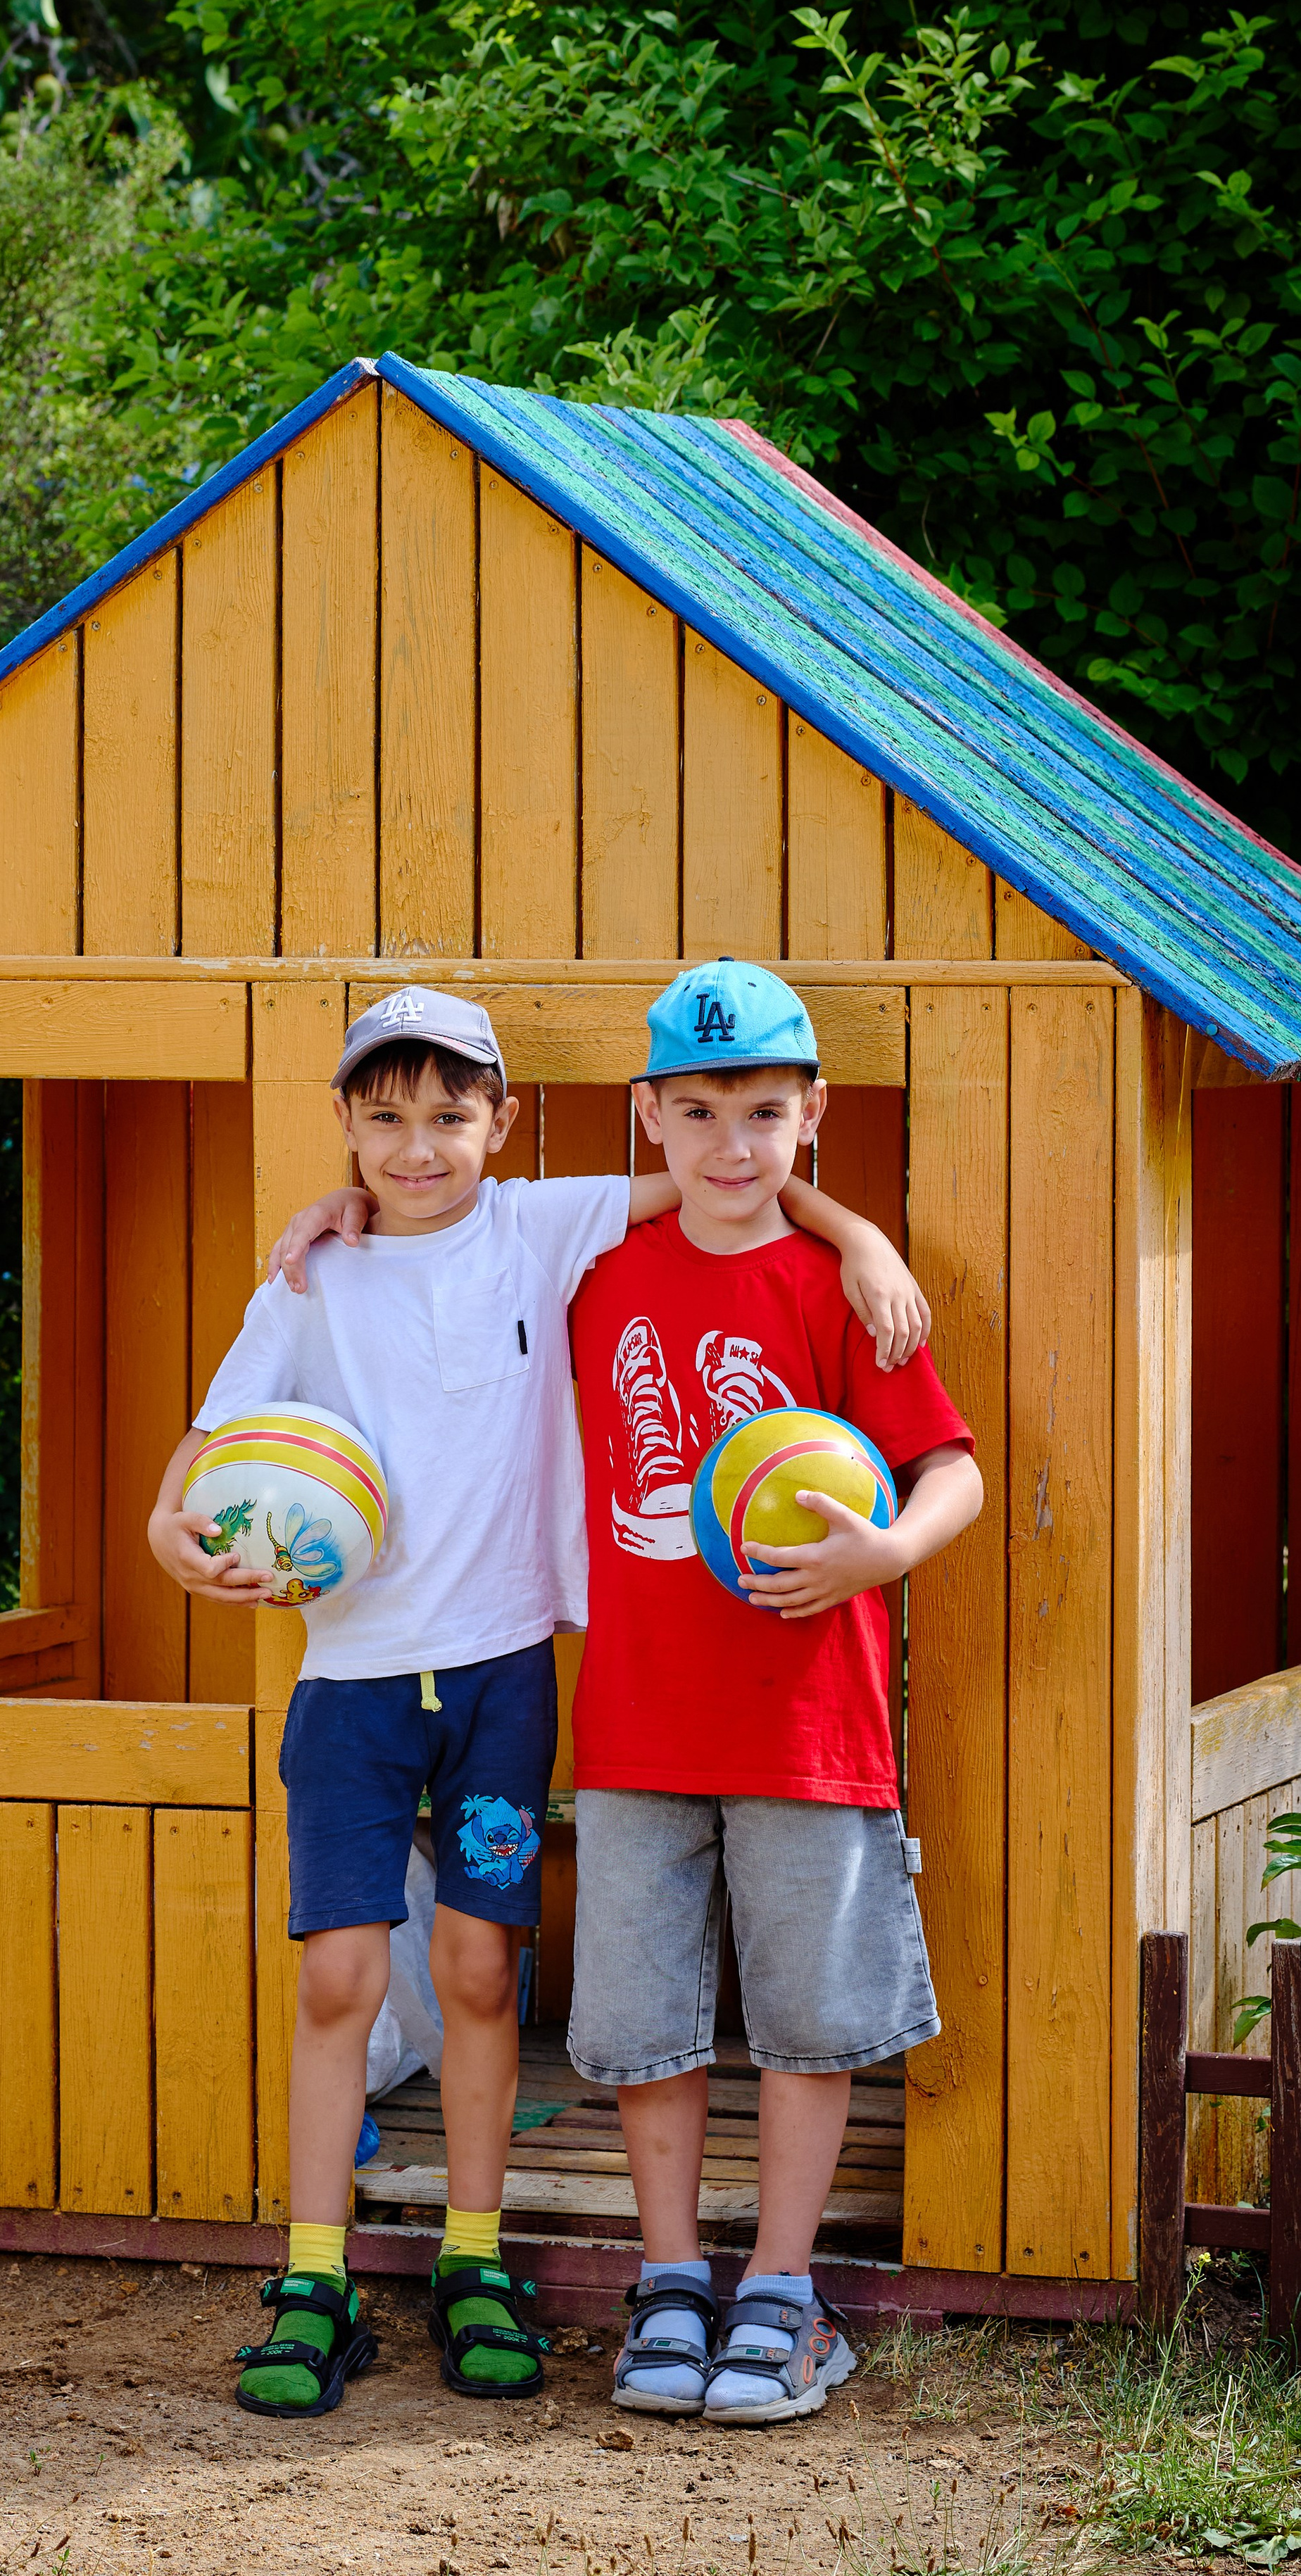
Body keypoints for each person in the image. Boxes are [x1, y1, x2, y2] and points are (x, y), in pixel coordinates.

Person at [150, 984, 928, 2421]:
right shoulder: (308, 1281)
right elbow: (201, 1456)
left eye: (449, 1116)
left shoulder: (540, 1225)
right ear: (344, 1124)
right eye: (384, 1119)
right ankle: (311, 2277)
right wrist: (165, 1532)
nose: (418, 1146)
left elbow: (731, 1178)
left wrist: (861, 1234)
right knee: (337, 1978)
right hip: (349, 1681)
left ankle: (473, 2259)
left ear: (502, 1123)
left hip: (502, 1671)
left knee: (475, 1971)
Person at [565, 961, 981, 2425]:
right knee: (642, 2023)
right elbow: (444, 1228)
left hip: (811, 1724)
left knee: (808, 2020)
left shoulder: (840, 1286)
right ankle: (671, 2279)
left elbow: (950, 1469)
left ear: (813, 1112)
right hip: (635, 1721)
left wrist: (886, 1553)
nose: (730, 1144)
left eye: (761, 1112)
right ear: (648, 1117)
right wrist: (331, 1212)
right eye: (697, 1111)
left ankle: (784, 2294)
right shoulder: (595, 1273)